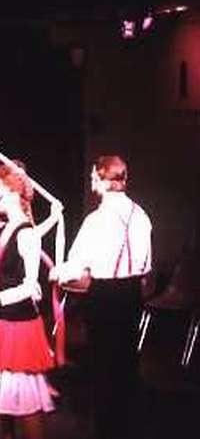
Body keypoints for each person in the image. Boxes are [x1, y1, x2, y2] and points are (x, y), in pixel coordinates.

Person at [50, 155, 152, 439]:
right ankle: (126, 426)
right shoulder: (142, 216)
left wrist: (59, 273)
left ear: (102, 180)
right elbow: (146, 266)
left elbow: (78, 264)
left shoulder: (96, 221)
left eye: (94, 176)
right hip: (132, 296)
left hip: (105, 296)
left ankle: (107, 429)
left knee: (104, 368)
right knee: (126, 365)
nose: (91, 180)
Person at [0, 162, 56, 439]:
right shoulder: (2, 230)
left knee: (26, 404)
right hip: (3, 324)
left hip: (22, 328)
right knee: (4, 404)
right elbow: (1, 281)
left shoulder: (27, 234)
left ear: (11, 193)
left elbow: (30, 287)